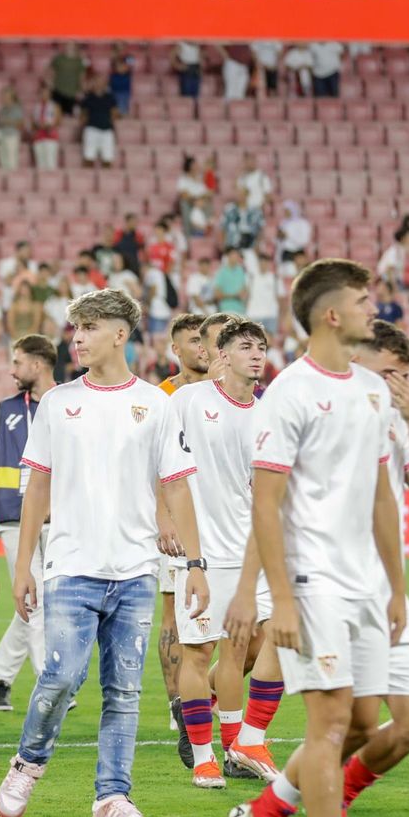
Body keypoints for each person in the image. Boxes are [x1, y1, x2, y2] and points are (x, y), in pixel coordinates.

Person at [224, 258, 402, 817]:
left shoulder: (371, 390)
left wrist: (398, 588)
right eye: (361, 300)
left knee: (360, 722)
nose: (369, 308)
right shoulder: (290, 394)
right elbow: (265, 504)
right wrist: (283, 599)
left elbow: (383, 493)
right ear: (332, 314)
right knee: (327, 728)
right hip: (312, 580)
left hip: (363, 583)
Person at [0, 288, 207, 817]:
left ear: (120, 333)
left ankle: (112, 798)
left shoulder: (156, 405)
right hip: (70, 566)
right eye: (75, 328)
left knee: (125, 691)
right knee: (61, 676)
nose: (78, 338)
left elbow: (178, 488)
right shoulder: (60, 403)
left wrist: (197, 563)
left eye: (88, 327)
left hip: (136, 570)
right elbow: (35, 485)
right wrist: (23, 566)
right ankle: (28, 762)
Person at [339, 322, 409, 817]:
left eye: (404, 377)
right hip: (333, 589)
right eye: (388, 375)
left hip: (386, 593)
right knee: (350, 723)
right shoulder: (328, 414)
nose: (395, 386)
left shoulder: (398, 423)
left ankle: (330, 793)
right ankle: (299, 806)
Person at [167, 320, 269, 789]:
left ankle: (239, 744)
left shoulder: (267, 414)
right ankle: (208, 755)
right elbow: (159, 461)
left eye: (262, 347)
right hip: (203, 550)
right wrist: (164, 520)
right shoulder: (190, 400)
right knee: (199, 650)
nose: (257, 354)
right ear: (223, 355)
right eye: (246, 346)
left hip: (253, 551)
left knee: (259, 647)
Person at [0, 335, 58, 711]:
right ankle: (51, 683)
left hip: (59, 517)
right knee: (35, 599)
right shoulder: (6, 409)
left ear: (38, 365)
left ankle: (0, 681)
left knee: (38, 603)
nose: (11, 370)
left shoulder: (67, 405)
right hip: (13, 515)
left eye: (17, 362)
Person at [79, 78, 119, 169]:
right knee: (88, 158)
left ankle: (106, 182)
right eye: (97, 81)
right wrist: (82, 128)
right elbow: (83, 114)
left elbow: (115, 113)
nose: (98, 84)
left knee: (108, 160)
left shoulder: (110, 97)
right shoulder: (89, 98)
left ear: (105, 85)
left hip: (106, 130)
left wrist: (111, 122)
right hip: (91, 129)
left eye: (101, 82)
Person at [48, 42, 85, 114]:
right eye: (67, 44)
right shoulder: (58, 58)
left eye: (71, 45)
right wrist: (50, 82)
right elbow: (50, 71)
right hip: (58, 91)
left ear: (75, 46)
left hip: (72, 93)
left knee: (68, 116)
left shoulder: (79, 61)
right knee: (55, 114)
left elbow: (81, 78)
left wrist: (80, 90)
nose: (69, 47)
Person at [212, 249, 249, 314]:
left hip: (240, 310)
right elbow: (217, 294)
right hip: (226, 310)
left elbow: (245, 289)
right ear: (228, 257)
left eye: (237, 256)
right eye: (234, 256)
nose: (236, 258)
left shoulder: (240, 270)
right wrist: (234, 296)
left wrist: (244, 294)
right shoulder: (221, 272)